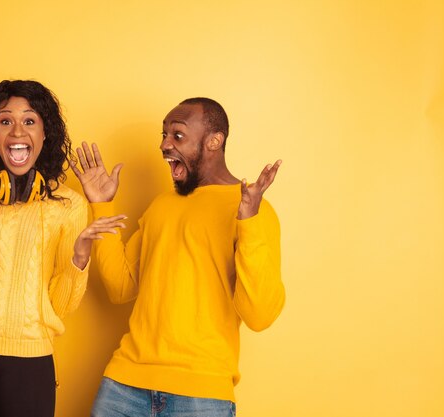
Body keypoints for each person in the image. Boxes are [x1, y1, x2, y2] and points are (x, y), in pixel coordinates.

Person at [70, 97, 285, 417]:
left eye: (177, 135)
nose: (164, 144)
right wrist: (102, 206)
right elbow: (120, 287)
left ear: (214, 141)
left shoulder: (253, 211)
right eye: (163, 134)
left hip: (200, 395)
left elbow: (260, 315)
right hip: (123, 385)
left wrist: (248, 224)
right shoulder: (161, 206)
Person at [0, 80, 119, 417]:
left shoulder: (69, 206)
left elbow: (60, 307)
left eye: (29, 121)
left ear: (45, 135)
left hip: (30, 356)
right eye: (5, 121)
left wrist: (79, 257)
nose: (17, 131)